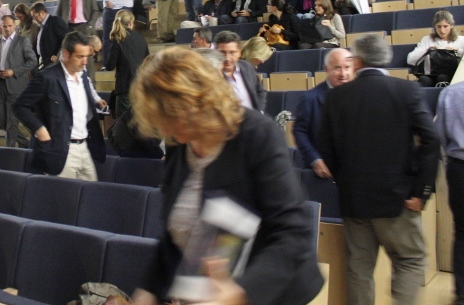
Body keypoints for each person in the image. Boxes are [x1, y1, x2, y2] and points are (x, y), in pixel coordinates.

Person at [130, 48, 323, 305]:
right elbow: (173, 236)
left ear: (198, 101)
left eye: (172, 117)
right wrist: (148, 290)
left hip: (270, 293)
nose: (165, 130)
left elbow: (293, 232)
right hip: (205, 294)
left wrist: (240, 293)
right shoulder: (180, 144)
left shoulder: (257, 134)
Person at [319, 34, 440, 305]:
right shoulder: (406, 90)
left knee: (359, 270)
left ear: (357, 61)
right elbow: (431, 140)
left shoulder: (336, 96)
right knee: (409, 260)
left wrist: (346, 182)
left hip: (354, 201)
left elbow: (326, 148)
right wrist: (421, 191)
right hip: (399, 200)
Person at [13, 32, 108, 181]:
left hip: (85, 147)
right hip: (60, 150)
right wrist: (39, 128)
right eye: (79, 57)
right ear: (66, 54)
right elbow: (19, 106)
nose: (85, 62)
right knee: (64, 194)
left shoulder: (83, 76)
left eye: (86, 57)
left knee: (92, 193)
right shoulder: (47, 77)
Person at [292, 48, 353, 178]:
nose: (343, 74)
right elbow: (300, 131)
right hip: (323, 174)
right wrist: (315, 160)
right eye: (337, 68)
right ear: (326, 69)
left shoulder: (361, 96)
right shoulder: (310, 98)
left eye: (347, 67)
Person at [435, 82, 464, 305]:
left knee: (461, 231)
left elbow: (440, 135)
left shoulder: (450, 93)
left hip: (459, 168)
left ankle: (462, 293)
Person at [0, 15, 37, 148]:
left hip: (16, 86)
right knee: (2, 121)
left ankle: (9, 151)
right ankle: (25, 144)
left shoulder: (23, 41)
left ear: (15, 25)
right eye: (4, 26)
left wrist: (14, 71)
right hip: (0, 85)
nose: (7, 29)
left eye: (10, 26)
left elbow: (33, 61)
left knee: (12, 123)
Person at [104, 10, 149, 119]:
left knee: (123, 124)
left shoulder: (118, 39)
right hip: (140, 87)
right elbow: (148, 61)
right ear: (131, 23)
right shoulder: (140, 37)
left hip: (124, 88)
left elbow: (109, 66)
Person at [406, 10, 464, 87]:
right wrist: (427, 51)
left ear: (451, 26)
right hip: (430, 75)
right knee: (423, 79)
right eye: (439, 27)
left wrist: (458, 51)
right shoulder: (427, 40)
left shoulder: (461, 40)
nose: (442, 30)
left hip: (451, 76)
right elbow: (410, 60)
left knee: (442, 78)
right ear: (434, 27)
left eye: (445, 26)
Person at [213, 31, 267, 112]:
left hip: (253, 118)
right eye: (222, 53)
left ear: (239, 53)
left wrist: (260, 112)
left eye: (232, 52)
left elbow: (260, 91)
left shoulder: (247, 67)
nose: (227, 58)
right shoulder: (211, 74)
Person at [98, 0, 138, 65]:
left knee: (108, 37)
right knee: (127, 36)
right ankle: (128, 63)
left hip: (111, 8)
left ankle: (107, 64)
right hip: (126, 10)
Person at [30, 2, 68, 69]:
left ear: (42, 13)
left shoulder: (55, 20)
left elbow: (66, 39)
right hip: (45, 61)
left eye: (34, 16)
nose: (34, 19)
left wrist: (58, 55)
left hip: (53, 62)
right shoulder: (41, 26)